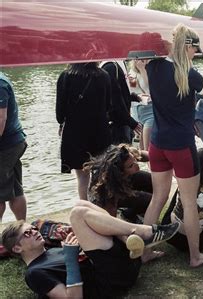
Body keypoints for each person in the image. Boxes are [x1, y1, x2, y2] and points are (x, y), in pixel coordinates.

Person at [143, 23, 203, 268]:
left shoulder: (153, 66)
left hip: (157, 143)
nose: (196, 53)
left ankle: (144, 252)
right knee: (188, 202)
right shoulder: (189, 74)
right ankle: (195, 257)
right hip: (181, 146)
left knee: (157, 198)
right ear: (188, 46)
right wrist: (191, 68)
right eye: (196, 49)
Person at [0, 200, 179, 298]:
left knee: (80, 205)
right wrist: (70, 256)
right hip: (113, 281)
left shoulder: (50, 251)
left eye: (32, 229)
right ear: (16, 248)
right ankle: (143, 232)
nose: (33, 232)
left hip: (119, 266)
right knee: (77, 214)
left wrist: (76, 239)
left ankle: (131, 241)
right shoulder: (34, 273)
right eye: (27, 234)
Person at [56, 63, 112, 200]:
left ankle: (84, 205)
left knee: (82, 176)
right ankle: (101, 204)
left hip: (75, 132)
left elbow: (60, 112)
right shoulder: (104, 76)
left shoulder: (65, 76)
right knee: (101, 171)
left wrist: (62, 122)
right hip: (99, 130)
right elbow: (108, 105)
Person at [0, 72, 27, 222]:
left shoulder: (0, 83)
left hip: (6, 146)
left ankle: (21, 229)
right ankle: (22, 228)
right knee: (16, 190)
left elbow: (1, 119)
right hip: (13, 143)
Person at [101, 60, 143, 144]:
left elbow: (118, 93)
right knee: (121, 154)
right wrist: (130, 121)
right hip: (117, 124)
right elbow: (114, 98)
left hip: (121, 121)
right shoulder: (110, 66)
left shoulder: (116, 64)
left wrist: (131, 97)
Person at [128, 59, 153, 150]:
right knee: (141, 148)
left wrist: (142, 69)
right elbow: (133, 90)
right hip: (137, 111)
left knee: (148, 147)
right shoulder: (132, 72)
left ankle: (152, 164)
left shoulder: (149, 69)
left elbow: (149, 88)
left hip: (149, 110)